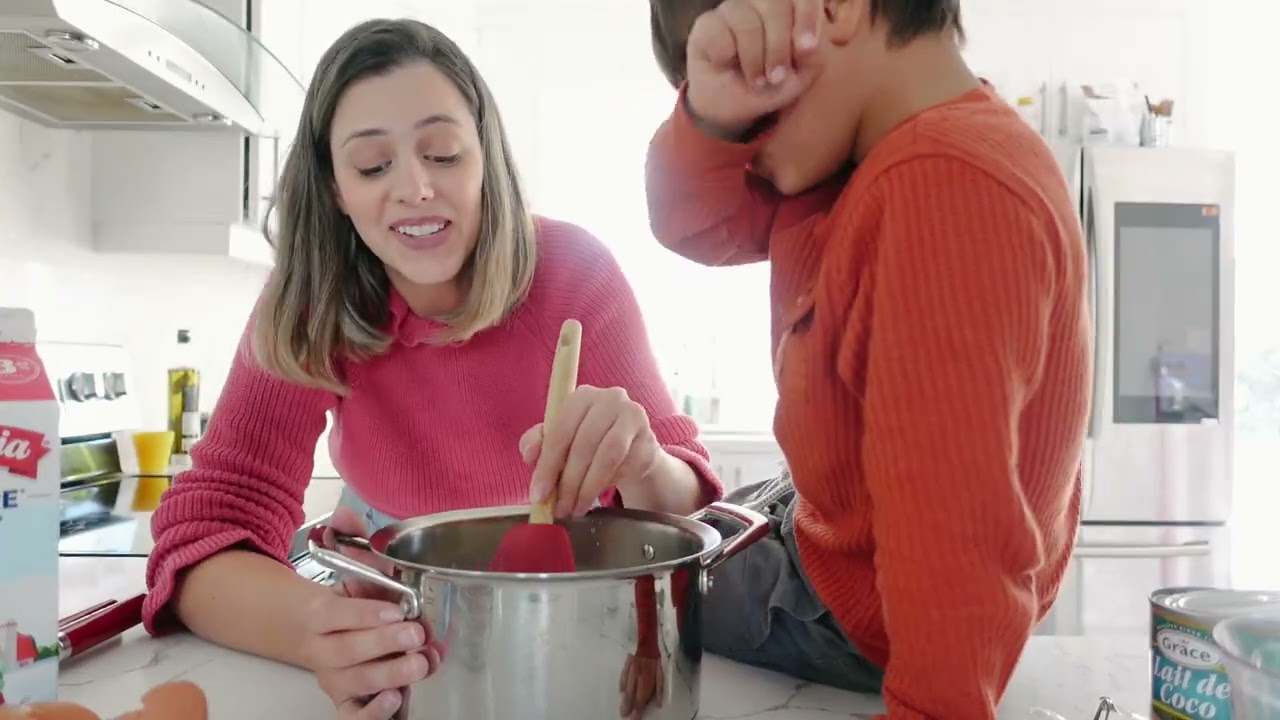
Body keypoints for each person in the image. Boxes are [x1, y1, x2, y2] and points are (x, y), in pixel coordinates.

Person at [143, 17, 721, 720]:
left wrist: (642, 461)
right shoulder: (308, 306)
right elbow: (205, 535)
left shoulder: (576, 275)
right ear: (333, 189)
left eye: (443, 154)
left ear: (486, 156)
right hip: (399, 644)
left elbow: (690, 509)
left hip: (585, 646)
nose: (416, 189)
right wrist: (319, 632)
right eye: (372, 166)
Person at [644, 0, 1093, 718]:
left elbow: (955, 545)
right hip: (829, 522)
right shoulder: (867, 152)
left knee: (640, 581)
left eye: (751, 103)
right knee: (691, 522)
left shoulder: (944, 190)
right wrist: (712, 122)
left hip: (849, 604)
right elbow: (694, 222)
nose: (744, 153)